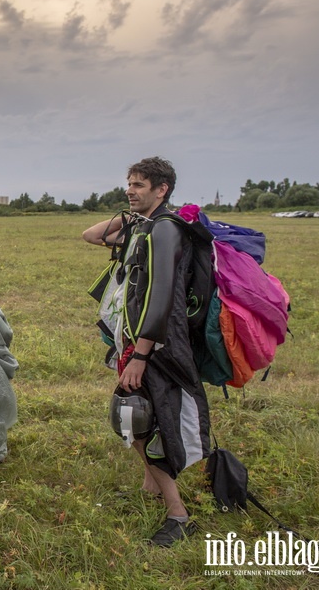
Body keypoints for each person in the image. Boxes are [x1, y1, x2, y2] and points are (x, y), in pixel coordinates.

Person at [83, 156, 211, 547]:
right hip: (141, 341)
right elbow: (90, 235)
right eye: (129, 183)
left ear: (162, 189)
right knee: (141, 418)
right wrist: (132, 214)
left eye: (139, 185)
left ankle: (178, 514)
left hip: (157, 345)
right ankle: (149, 488)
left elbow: (160, 294)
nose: (130, 190)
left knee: (143, 421)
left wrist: (140, 355)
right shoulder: (147, 226)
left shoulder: (166, 231)